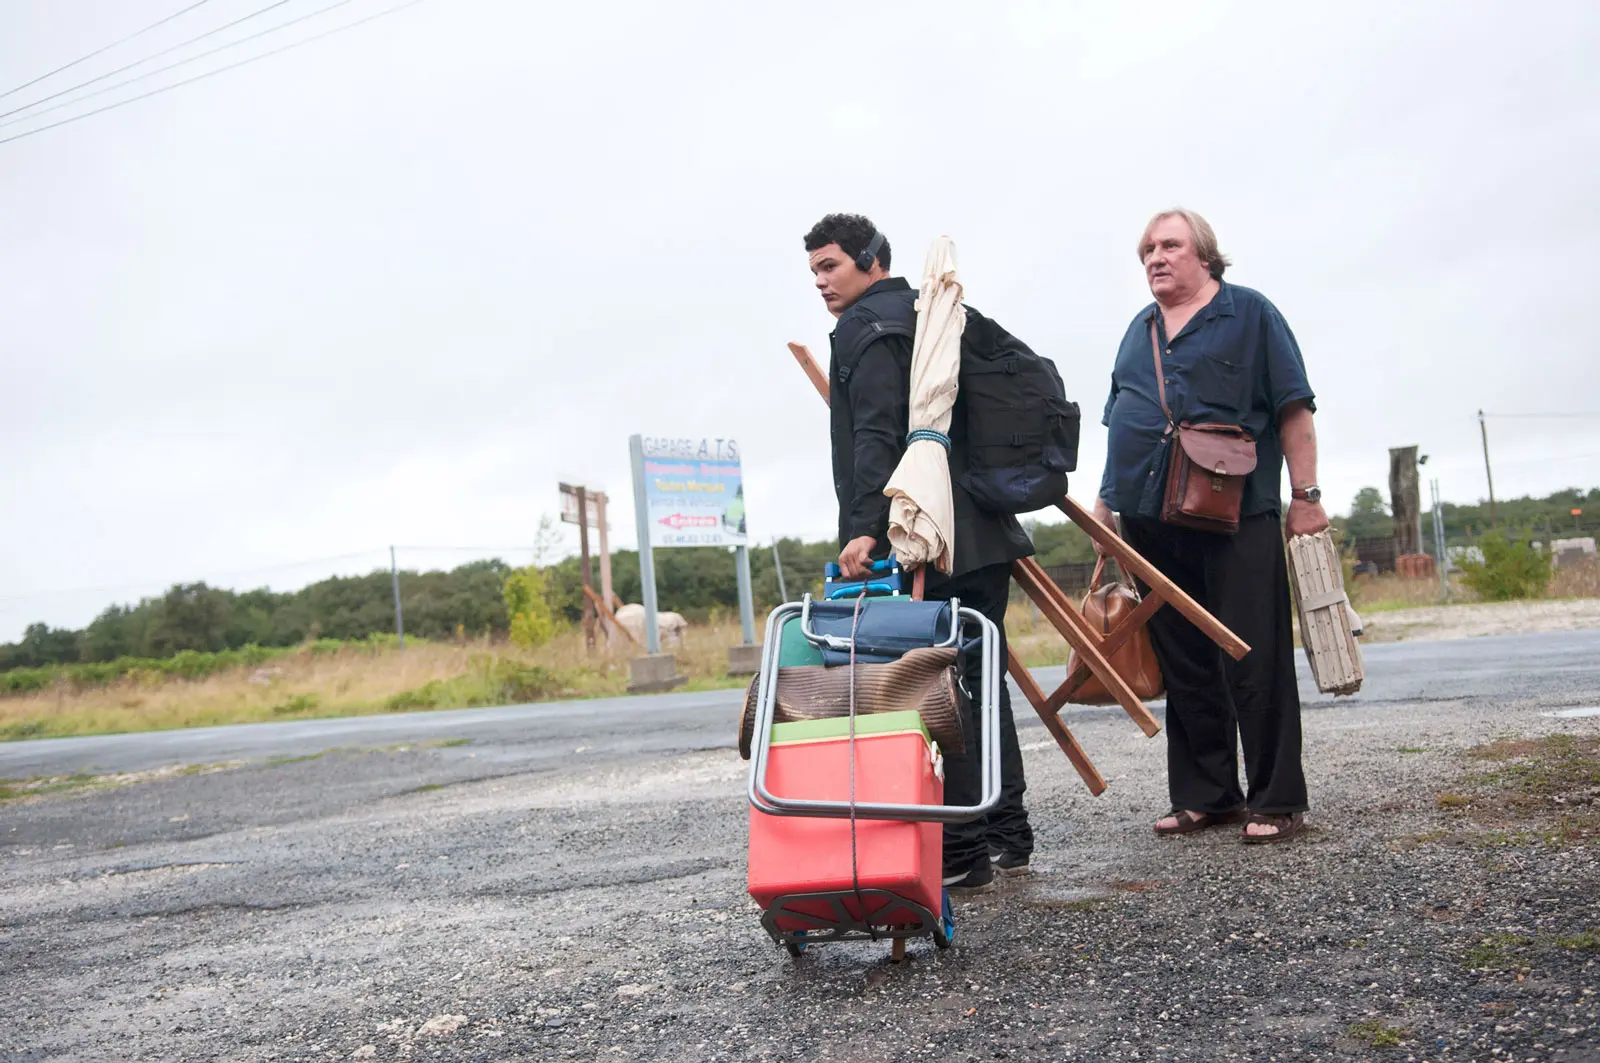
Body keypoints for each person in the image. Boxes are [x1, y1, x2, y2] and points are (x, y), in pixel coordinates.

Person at [804, 212, 1036, 889]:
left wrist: (863, 527)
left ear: (872, 258)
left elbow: (876, 431)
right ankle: (1007, 834)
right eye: (815, 270)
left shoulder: (867, 327)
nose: (821, 282)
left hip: (925, 531)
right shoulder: (934, 308)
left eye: (831, 266)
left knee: (935, 683)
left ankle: (962, 852)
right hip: (985, 529)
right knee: (978, 677)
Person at [1094, 207, 1327, 844]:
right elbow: (1123, 422)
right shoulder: (1137, 331)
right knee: (1185, 659)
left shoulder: (1250, 313)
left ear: (1205, 255)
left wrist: (1304, 496)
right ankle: (1208, 797)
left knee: (1256, 654)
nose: (1155, 258)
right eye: (1146, 250)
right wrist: (1105, 504)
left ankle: (1277, 800)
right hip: (1149, 517)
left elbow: (1294, 409)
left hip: (1237, 513)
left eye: (1169, 246)